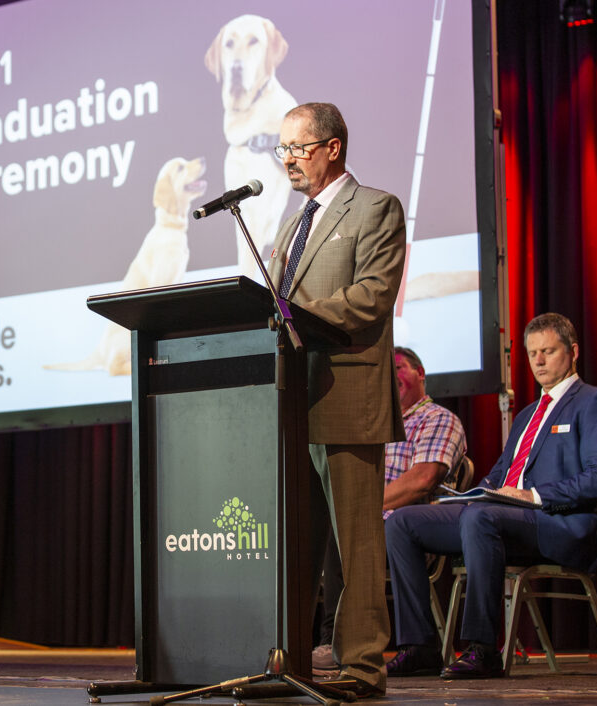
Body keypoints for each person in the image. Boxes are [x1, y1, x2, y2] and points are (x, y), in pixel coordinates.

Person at [386, 313, 597, 679]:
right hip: (502, 517)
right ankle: (419, 647)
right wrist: (468, 497)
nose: (539, 361)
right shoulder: (528, 414)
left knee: (481, 518)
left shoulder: (594, 402)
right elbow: (499, 477)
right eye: (532, 354)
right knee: (403, 522)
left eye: (548, 351)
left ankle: (482, 649)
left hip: (559, 524)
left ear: (573, 352)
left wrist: (533, 496)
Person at [268, 102, 407, 695]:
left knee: (357, 547)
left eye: (298, 148)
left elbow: (373, 296)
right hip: (292, 401)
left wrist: (294, 315)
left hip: (347, 395)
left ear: (333, 147)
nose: (289, 161)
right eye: (283, 150)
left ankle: (363, 668)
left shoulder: (375, 207)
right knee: (298, 548)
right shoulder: (289, 224)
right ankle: (293, 662)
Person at [314, 346, 467, 671]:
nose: (392, 376)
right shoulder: (375, 423)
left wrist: (358, 510)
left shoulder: (438, 418)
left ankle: (332, 641)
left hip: (410, 531)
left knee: (339, 533)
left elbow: (422, 480)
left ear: (420, 373)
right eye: (387, 370)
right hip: (370, 527)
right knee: (315, 527)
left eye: (399, 367)